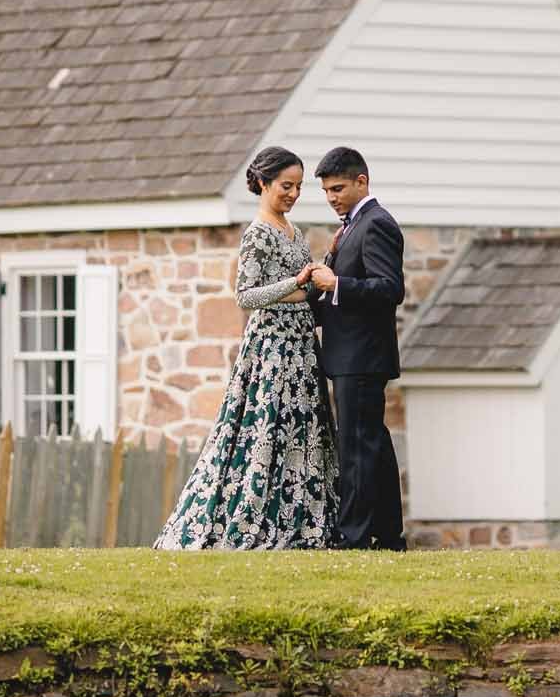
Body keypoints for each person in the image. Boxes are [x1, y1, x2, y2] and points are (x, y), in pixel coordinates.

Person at [154, 147, 339, 550]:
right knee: (265, 429)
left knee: (301, 429)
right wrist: (297, 285)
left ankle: (304, 518)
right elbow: (246, 295)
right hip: (271, 349)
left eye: (297, 187)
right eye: (285, 186)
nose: (292, 194)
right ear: (263, 184)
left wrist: (313, 278)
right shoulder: (258, 232)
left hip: (301, 346)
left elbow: (303, 288)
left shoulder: (294, 230)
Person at [302, 147, 407, 552]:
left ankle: (354, 536)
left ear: (362, 181)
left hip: (362, 356)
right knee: (373, 445)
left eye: (338, 188)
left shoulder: (377, 223)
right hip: (351, 356)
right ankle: (388, 534)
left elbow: (389, 289)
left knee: (357, 448)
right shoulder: (351, 226)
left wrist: (336, 285)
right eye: (327, 191)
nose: (332, 197)